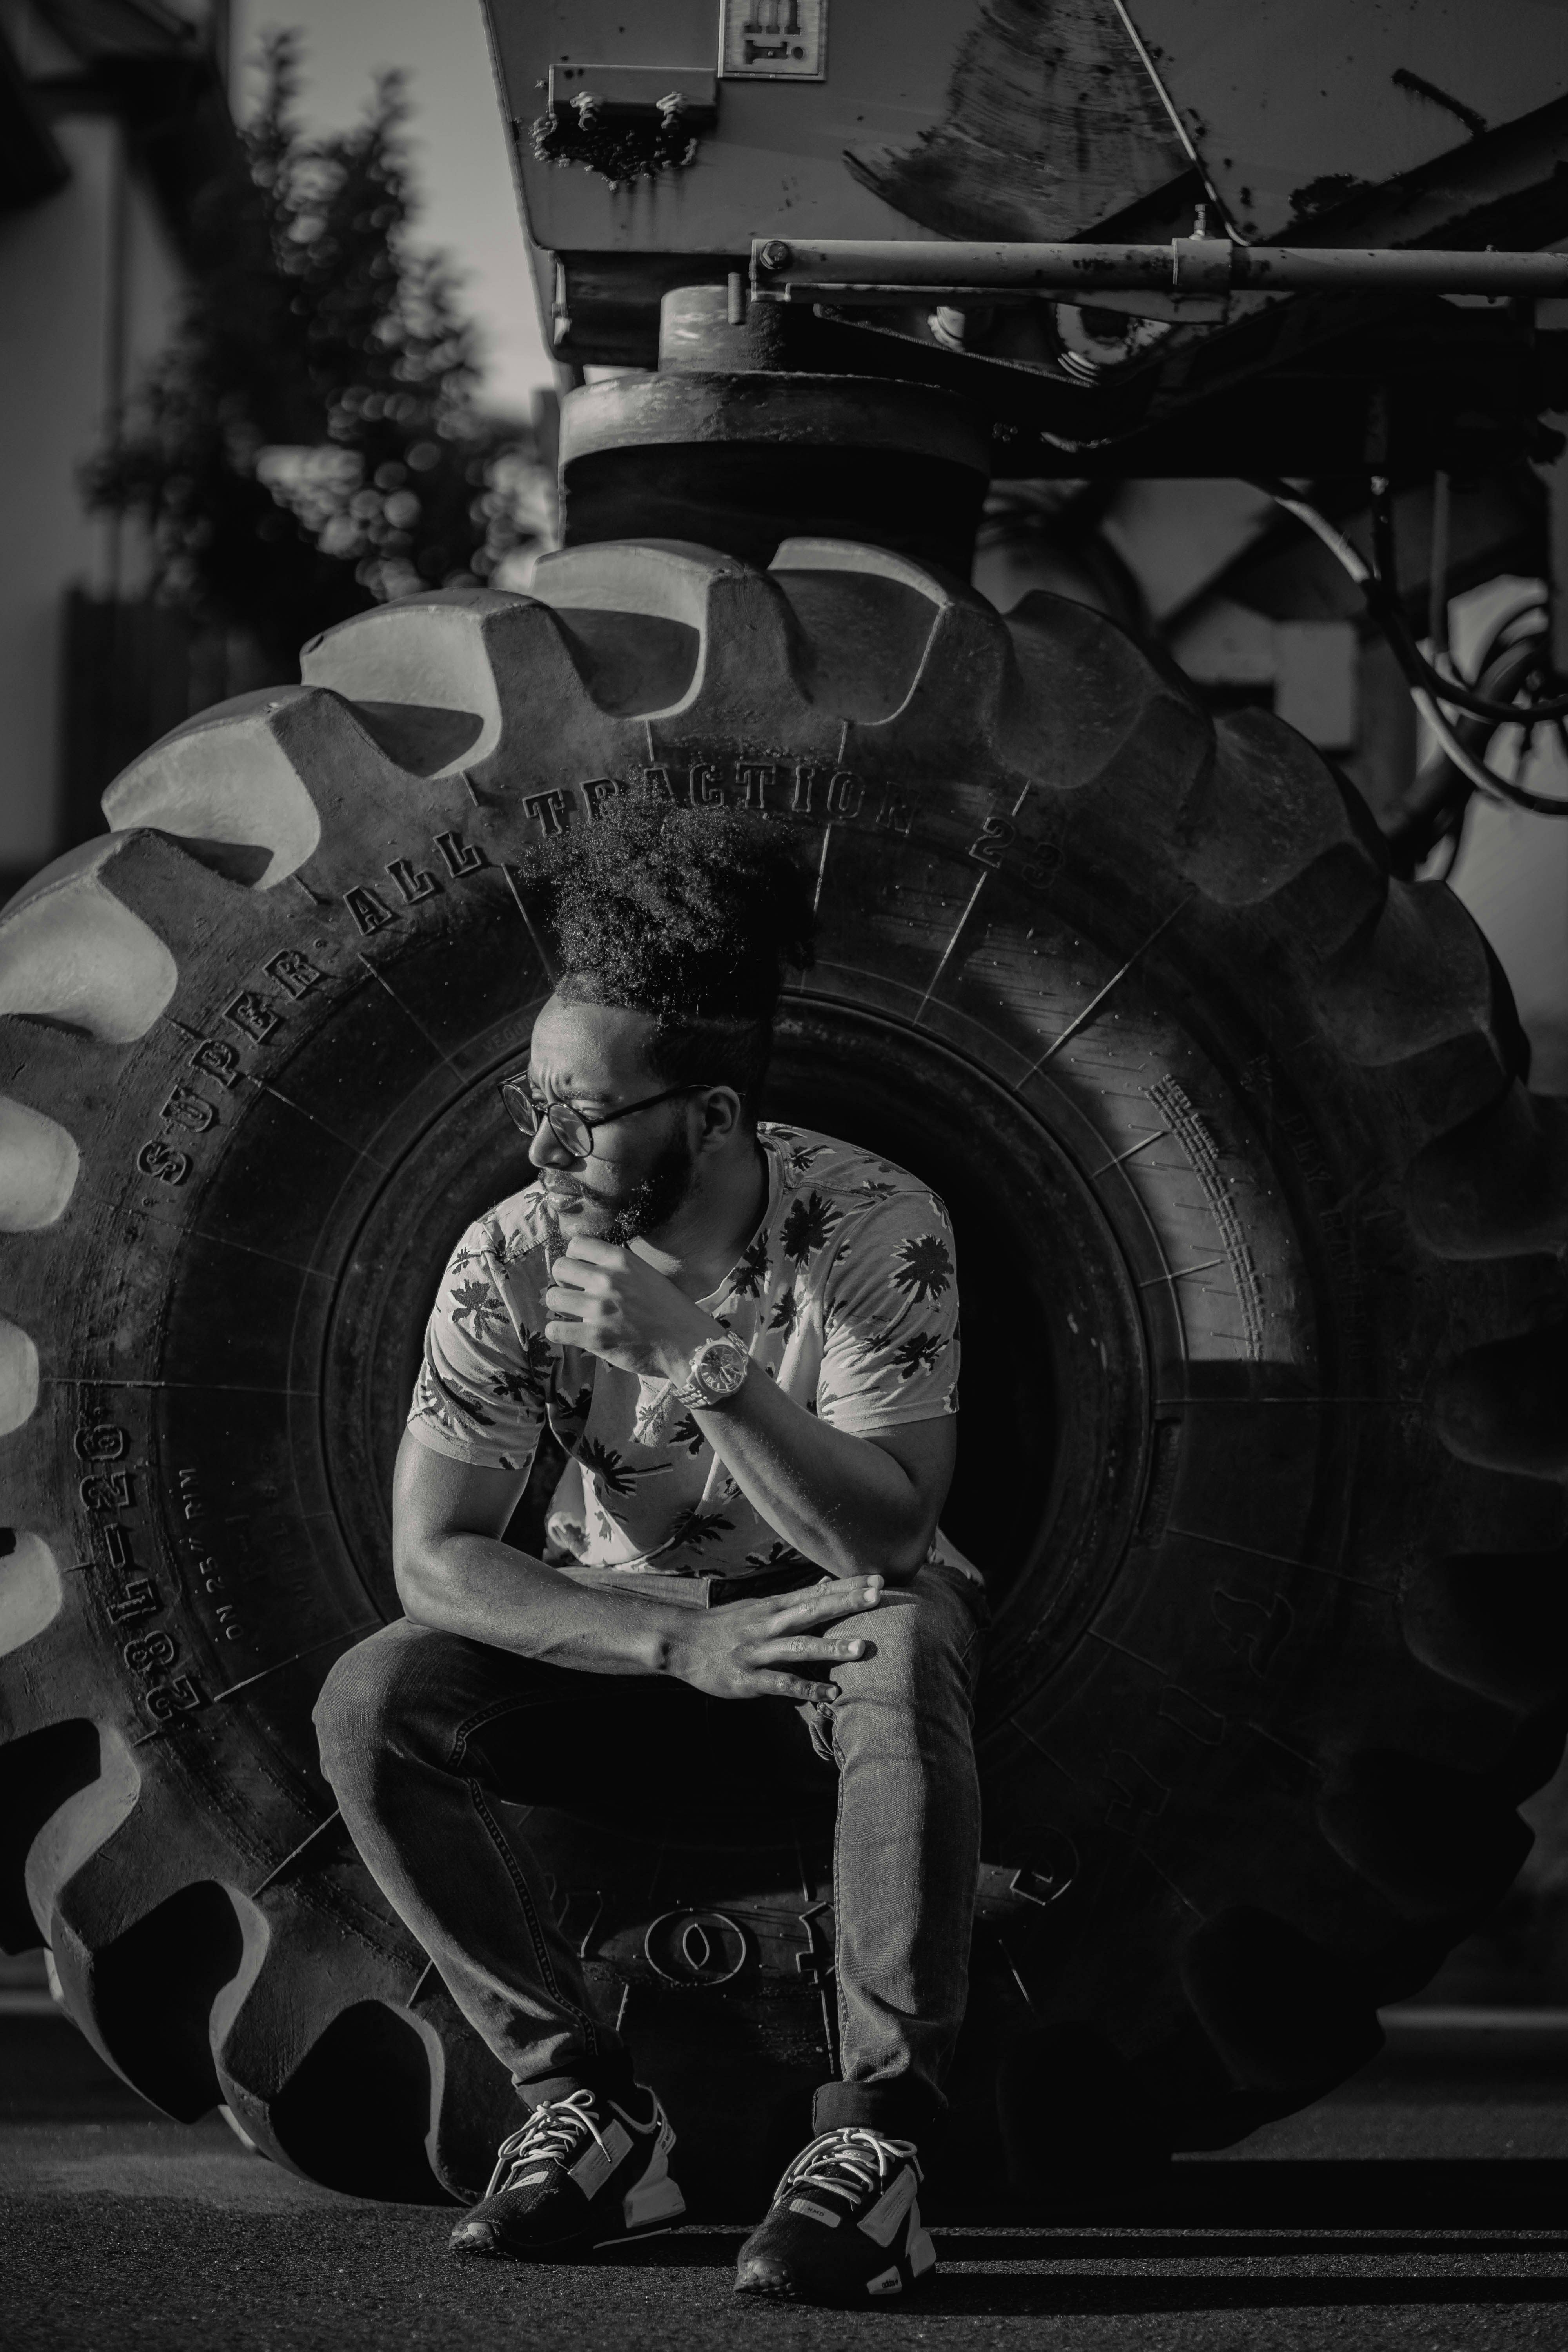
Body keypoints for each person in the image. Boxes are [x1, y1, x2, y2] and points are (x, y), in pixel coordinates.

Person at [313, 800, 986, 2306]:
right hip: (633, 1632)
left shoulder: (876, 1224)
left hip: (831, 1622)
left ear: (715, 1115)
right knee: (374, 1698)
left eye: (584, 1114)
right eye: (533, 1101)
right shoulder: (508, 1256)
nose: (542, 1145)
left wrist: (699, 1359)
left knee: (905, 1632)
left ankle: (876, 2148)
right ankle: (590, 2113)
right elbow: (436, 1559)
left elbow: (887, 1534)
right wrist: (679, 1638)